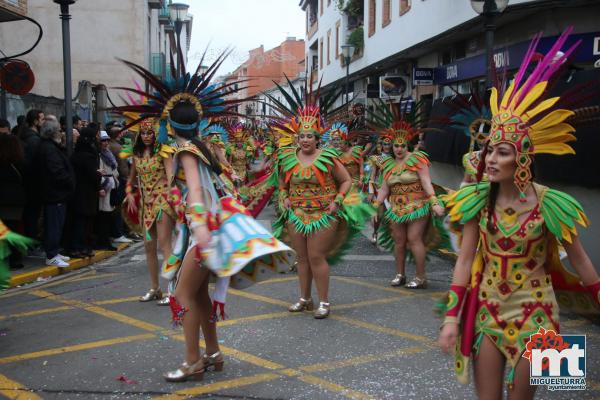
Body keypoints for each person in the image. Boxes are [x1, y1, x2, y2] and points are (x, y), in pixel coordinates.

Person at [110, 52, 294, 382]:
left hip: (204, 233)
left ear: (169, 124)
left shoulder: (185, 152)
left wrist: (199, 229)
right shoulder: (201, 147)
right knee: (197, 296)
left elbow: (195, 192)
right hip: (209, 229)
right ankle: (213, 353)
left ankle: (193, 361)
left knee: (181, 297)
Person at [438, 30, 600, 398]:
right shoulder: (477, 200)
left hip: (540, 311)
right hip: (489, 308)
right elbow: (464, 262)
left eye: (503, 152)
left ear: (523, 158)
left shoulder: (554, 204)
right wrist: (451, 317)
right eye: (490, 149)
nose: (490, 159)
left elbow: (581, 261)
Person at [272, 104, 373, 319]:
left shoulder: (328, 157)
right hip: (297, 213)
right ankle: (304, 299)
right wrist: (284, 196)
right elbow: (282, 183)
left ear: (318, 138)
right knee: (301, 258)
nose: (306, 139)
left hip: (324, 214)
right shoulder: (288, 157)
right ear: (297, 138)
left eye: (310, 135)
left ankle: (324, 302)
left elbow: (345, 180)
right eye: (302, 136)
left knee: (316, 256)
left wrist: (337, 200)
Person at [370, 102, 447, 289]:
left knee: (414, 239)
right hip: (396, 208)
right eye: (396, 145)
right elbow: (385, 189)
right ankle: (400, 274)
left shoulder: (417, 159)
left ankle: (421, 277)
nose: (398, 149)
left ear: (408, 145)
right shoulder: (387, 164)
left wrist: (434, 202)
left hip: (417, 205)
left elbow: (427, 181)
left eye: (402, 145)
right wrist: (375, 208)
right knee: (399, 242)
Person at [122, 120, 176, 304]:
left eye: (150, 133)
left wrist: (173, 197)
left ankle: (173, 290)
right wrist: (129, 194)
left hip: (162, 202)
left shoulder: (163, 152)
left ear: (155, 134)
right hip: (146, 205)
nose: (146, 136)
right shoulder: (136, 155)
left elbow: (171, 178)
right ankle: (155, 288)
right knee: (148, 245)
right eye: (143, 133)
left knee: (164, 244)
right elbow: (130, 180)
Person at [37, 115, 75, 267]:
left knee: (57, 225)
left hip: (56, 194)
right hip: (55, 194)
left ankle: (54, 251)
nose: (62, 132)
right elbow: (56, 172)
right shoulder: (49, 149)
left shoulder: (51, 147)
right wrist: (68, 181)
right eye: (59, 130)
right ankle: (51, 254)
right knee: (54, 225)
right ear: (53, 132)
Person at [68, 126, 101, 258]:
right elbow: (92, 175)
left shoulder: (76, 154)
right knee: (83, 222)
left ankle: (80, 246)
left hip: (78, 193)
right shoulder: (88, 156)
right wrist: (99, 174)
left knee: (80, 221)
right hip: (86, 194)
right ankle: (79, 247)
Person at [0, 132, 27, 269]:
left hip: (2, 201)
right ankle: (15, 259)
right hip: (16, 202)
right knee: (15, 230)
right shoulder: (19, 162)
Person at [19, 109, 44, 240]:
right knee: (32, 215)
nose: (43, 122)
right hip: (33, 184)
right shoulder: (34, 140)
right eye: (42, 119)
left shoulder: (27, 137)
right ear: (35, 121)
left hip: (30, 184)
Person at [108, 124, 132, 245]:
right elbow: (123, 167)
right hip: (120, 180)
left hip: (117, 180)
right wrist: (128, 178)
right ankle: (118, 232)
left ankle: (119, 232)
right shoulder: (117, 147)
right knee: (119, 208)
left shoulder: (113, 146)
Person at [96, 130, 119, 251]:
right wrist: (102, 186)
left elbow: (114, 170)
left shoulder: (108, 153)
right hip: (105, 187)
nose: (105, 143)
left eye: (106, 140)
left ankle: (107, 240)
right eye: (103, 141)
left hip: (112, 185)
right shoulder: (99, 155)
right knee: (104, 216)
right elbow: (100, 172)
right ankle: (103, 241)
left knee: (109, 214)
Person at [367, 135, 392, 244]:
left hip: (394, 190)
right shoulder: (377, 159)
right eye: (385, 144)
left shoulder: (397, 157)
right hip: (380, 189)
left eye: (389, 144)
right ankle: (375, 232)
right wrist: (371, 192)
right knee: (379, 215)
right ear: (381, 146)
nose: (387, 146)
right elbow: (373, 176)